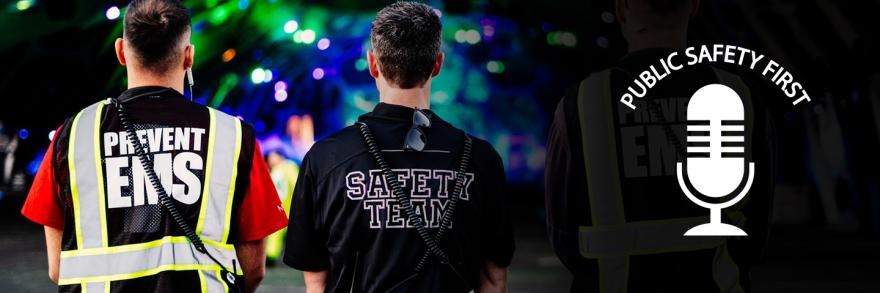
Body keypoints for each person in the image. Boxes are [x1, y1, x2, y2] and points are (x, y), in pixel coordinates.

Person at [20, 0, 288, 292]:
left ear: (120, 51)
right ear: (189, 56)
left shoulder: (73, 135)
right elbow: (253, 270)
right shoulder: (233, 136)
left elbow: (59, 268)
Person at [544, 0, 776, 292]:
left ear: (622, 9)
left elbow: (562, 232)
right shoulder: (739, 94)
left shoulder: (582, 102)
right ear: (693, 7)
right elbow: (758, 226)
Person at [282, 2, 514, 292]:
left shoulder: (325, 158)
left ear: (373, 64)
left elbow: (317, 282)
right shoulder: (481, 159)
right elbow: (493, 279)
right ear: (438, 64)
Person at [265, 151, 299, 264]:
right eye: (270, 158)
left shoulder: (288, 166)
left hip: (289, 205)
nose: (271, 160)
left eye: (273, 157)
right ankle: (271, 255)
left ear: (280, 156)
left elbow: (295, 183)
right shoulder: (276, 169)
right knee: (276, 231)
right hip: (280, 206)